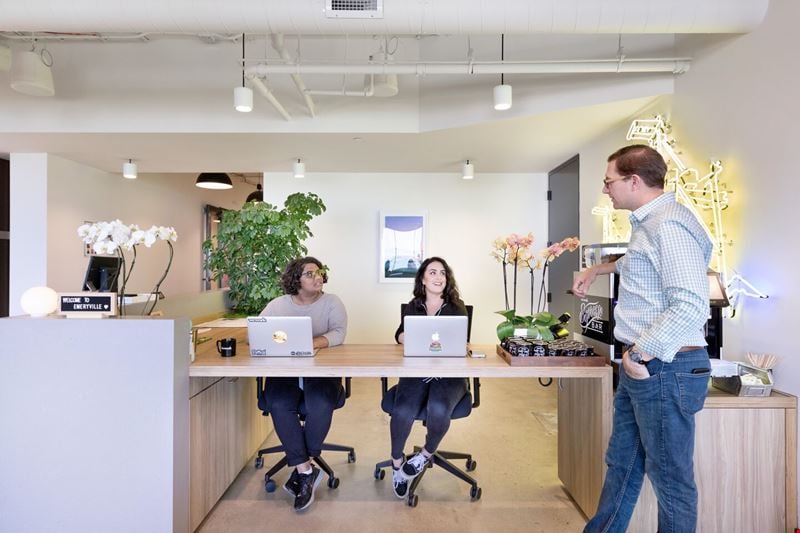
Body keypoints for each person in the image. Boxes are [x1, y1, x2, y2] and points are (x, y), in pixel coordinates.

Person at [573, 145, 712, 533]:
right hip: (645, 365)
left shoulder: (669, 225)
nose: (605, 190)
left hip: (662, 367)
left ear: (634, 181)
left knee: (671, 482)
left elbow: (690, 304)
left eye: (608, 181)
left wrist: (639, 354)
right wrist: (599, 269)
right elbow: (639, 262)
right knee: (623, 464)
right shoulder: (649, 225)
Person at [259, 256, 347, 512]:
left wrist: (309, 344)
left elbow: (339, 333)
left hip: (321, 372)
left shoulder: (332, 302)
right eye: (309, 274)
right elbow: (258, 331)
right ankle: (306, 469)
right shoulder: (278, 305)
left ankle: (301, 467)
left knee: (319, 402)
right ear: (295, 278)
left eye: (319, 272)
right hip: (285, 373)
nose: (317, 277)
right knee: (277, 402)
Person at [388, 256, 469, 499]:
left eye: (442, 273)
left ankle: (425, 454)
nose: (438, 277)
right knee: (402, 409)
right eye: (432, 272)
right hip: (417, 372)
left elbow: (461, 342)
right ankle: (396, 462)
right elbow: (399, 334)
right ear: (423, 278)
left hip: (449, 375)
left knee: (438, 406)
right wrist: (406, 337)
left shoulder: (457, 306)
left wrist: (458, 345)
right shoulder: (414, 305)